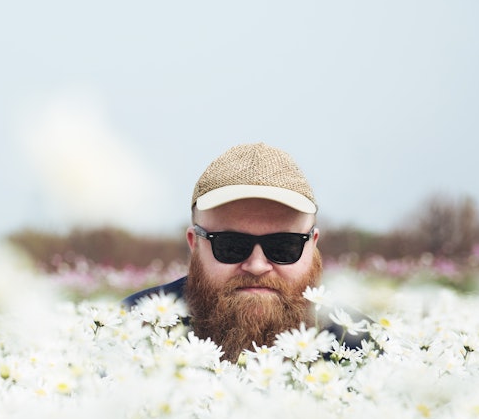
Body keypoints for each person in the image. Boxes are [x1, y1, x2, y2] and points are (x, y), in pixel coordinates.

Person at [122, 142, 366, 361]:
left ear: (312, 245)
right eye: (231, 246)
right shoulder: (126, 332)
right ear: (194, 244)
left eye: (284, 246)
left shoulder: (363, 348)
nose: (257, 265)